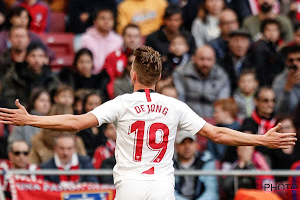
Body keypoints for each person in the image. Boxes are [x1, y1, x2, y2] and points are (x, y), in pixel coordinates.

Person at [0, 46, 296, 200]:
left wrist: (31, 119)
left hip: (130, 184)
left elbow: (77, 122)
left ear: (133, 75)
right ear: (157, 77)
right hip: (162, 186)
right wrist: (262, 140)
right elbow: (216, 133)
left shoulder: (122, 103)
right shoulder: (175, 106)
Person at [173, 45, 230, 117]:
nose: (205, 63)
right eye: (202, 59)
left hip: (214, 120)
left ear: (214, 60)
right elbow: (180, 101)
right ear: (193, 58)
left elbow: (222, 104)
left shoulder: (221, 76)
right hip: (189, 119)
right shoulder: (181, 73)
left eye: (209, 59)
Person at [1, 42, 59, 108]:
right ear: (26, 58)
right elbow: (9, 100)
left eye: (40, 56)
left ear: (45, 58)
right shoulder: (14, 76)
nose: (36, 60)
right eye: (33, 56)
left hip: (47, 115)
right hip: (21, 114)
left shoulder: (52, 78)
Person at [173, 130, 219, 200]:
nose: (187, 147)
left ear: (196, 144)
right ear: (176, 146)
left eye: (190, 142)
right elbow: (168, 192)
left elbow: (211, 191)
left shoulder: (206, 160)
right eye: (183, 143)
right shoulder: (169, 163)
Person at [103, 23, 141, 99]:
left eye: (135, 36)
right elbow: (110, 80)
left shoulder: (146, 57)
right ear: (122, 37)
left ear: (140, 38)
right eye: (129, 36)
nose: (132, 40)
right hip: (118, 95)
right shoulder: (112, 56)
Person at [81, 8, 123, 73]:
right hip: (91, 74)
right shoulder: (86, 38)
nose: (106, 22)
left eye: (110, 19)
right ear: (95, 21)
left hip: (112, 76)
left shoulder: (118, 39)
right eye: (102, 18)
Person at [251, 18, 285, 86]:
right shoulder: (260, 46)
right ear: (263, 32)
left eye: (275, 30)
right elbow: (261, 69)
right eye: (268, 30)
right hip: (265, 83)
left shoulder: (277, 46)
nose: (271, 33)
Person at [219, 30, 254, 94]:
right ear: (229, 43)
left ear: (248, 44)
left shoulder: (255, 62)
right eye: (236, 41)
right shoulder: (221, 64)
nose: (239, 45)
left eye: (243, 41)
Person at [273, 45, 300, 115]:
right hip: (289, 120)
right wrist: (287, 88)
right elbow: (280, 111)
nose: (295, 63)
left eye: (299, 60)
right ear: (286, 62)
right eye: (291, 60)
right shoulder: (279, 81)